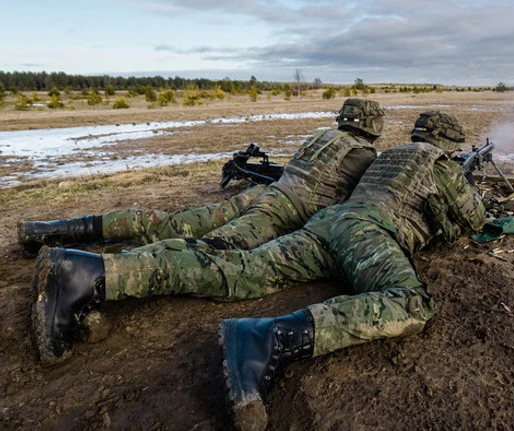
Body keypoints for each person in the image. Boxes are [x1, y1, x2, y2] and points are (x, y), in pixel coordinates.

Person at [31, 111, 487, 430]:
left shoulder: (386, 156)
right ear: (448, 144)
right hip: (364, 232)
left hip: (325, 223)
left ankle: (93, 273)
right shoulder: (440, 167)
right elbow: (474, 221)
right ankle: (267, 338)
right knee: (410, 303)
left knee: (243, 269)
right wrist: (469, 180)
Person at [18, 98, 384, 253]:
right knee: (211, 250)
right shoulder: (363, 153)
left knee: (172, 222)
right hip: (278, 210)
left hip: (263, 196)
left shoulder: (321, 136)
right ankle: (92, 268)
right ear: (371, 124)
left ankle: (50, 230)